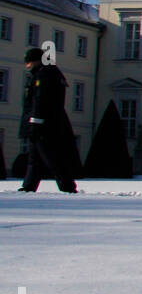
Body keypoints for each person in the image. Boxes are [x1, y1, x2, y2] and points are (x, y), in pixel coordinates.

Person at [18, 47, 80, 193]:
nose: (27, 66)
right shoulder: (50, 73)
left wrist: (35, 123)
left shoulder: (43, 75)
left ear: (35, 61)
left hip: (44, 125)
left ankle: (67, 186)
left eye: (28, 62)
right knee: (36, 158)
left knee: (51, 158)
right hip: (48, 123)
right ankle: (28, 186)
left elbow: (40, 101)